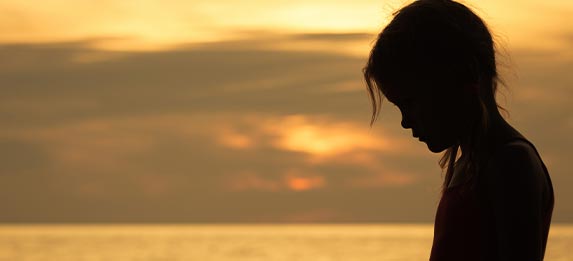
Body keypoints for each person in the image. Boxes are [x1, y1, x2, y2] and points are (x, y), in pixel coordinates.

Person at [362, 0, 555, 260]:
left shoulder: (511, 163)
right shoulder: (470, 166)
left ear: (465, 74)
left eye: (410, 103)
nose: (405, 122)